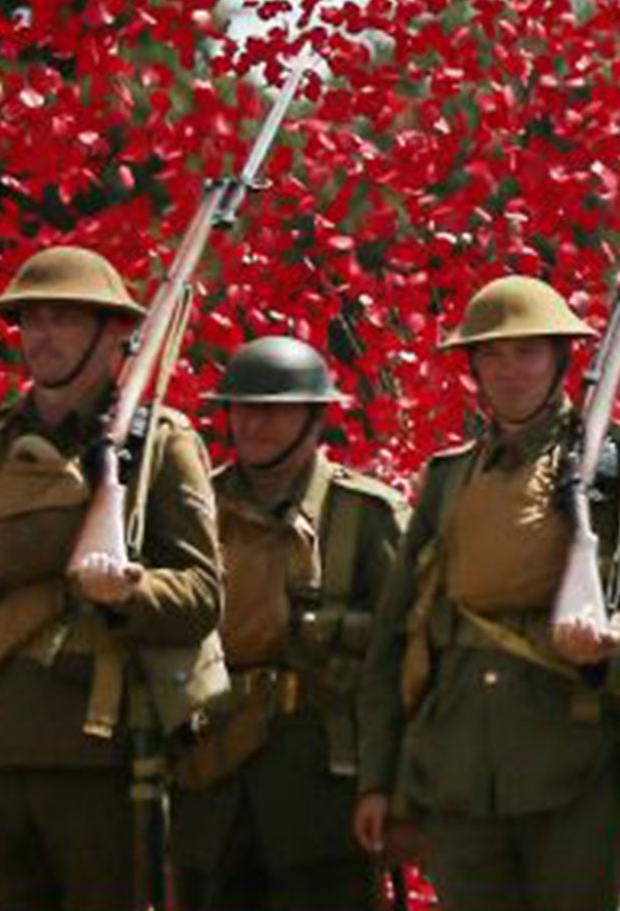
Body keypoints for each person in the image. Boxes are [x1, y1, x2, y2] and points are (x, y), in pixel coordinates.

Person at [354, 275, 620, 911]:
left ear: (560, 360)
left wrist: (611, 642)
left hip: (575, 763)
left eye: (528, 352)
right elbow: (395, 635)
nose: (509, 370)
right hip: (457, 764)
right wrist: (380, 778)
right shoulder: (449, 478)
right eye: (491, 354)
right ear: (474, 369)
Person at [0, 245, 223, 911]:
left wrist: (129, 591)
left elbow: (202, 595)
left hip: (104, 756)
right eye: (31, 319)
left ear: (113, 331)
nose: (41, 335)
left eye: (63, 318)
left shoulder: (159, 446)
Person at [170, 335, 406, 911]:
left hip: (322, 789)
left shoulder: (365, 516)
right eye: (242, 408)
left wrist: (389, 784)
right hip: (211, 781)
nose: (253, 424)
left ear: (313, 417)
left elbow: (401, 663)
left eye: (274, 408)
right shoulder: (197, 507)